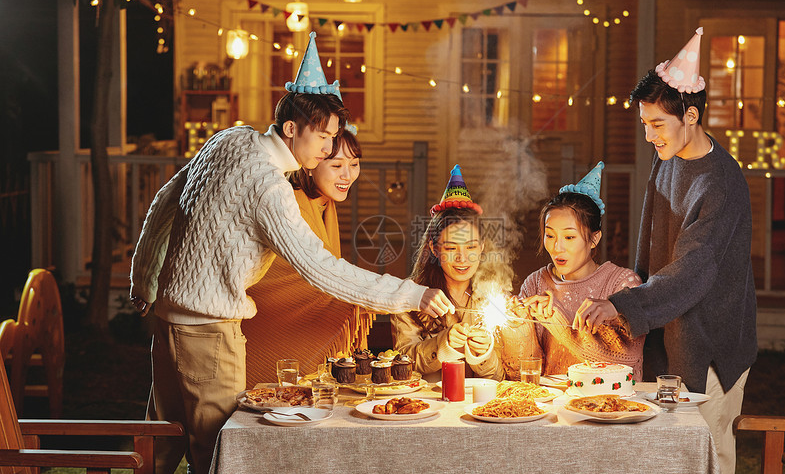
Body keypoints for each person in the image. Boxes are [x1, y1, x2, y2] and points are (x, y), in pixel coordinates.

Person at [129, 32, 453, 474]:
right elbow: (322, 271)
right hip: (211, 332)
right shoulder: (271, 188)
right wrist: (413, 294)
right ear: (288, 129)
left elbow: (164, 203)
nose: (327, 150)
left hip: (168, 320)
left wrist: (143, 281)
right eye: (321, 137)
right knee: (216, 454)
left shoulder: (228, 140)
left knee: (156, 446)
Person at [573, 27, 757, 474]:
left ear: (690, 116)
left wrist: (624, 304)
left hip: (712, 345)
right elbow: (649, 249)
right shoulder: (667, 160)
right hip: (668, 340)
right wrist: (625, 293)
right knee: (663, 469)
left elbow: (694, 271)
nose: (648, 134)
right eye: (644, 123)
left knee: (710, 468)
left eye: (657, 123)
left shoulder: (720, 185)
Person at [243, 129, 372, 387]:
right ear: (311, 165)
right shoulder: (292, 203)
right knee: (352, 302)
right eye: (336, 165)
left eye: (354, 164)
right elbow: (300, 276)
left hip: (294, 302)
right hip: (267, 314)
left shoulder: (325, 203)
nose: (347, 175)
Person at [505, 162, 643, 378]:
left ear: (594, 238)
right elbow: (523, 371)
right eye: (550, 236)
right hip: (550, 405)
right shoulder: (535, 283)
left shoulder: (623, 284)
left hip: (607, 407)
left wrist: (558, 323)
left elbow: (625, 364)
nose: (557, 247)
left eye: (569, 237)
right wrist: (517, 327)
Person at [391, 165, 504, 383]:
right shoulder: (411, 296)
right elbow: (402, 362)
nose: (462, 258)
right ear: (434, 249)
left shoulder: (493, 298)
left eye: (470, 247)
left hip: (480, 407)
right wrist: (445, 344)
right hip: (427, 408)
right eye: (451, 248)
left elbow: (501, 377)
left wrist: (484, 354)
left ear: (481, 247)